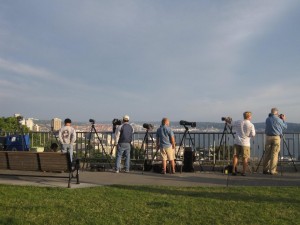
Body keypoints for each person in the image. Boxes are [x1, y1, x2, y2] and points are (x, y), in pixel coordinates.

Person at [263, 108, 287, 175]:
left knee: (267, 154)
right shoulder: (279, 120)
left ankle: (265, 169)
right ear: (276, 113)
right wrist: (283, 119)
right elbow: (285, 127)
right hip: (276, 137)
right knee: (274, 154)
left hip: (268, 137)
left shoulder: (267, 119)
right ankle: (272, 170)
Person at [231, 112, 256, 176]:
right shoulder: (251, 125)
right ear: (249, 116)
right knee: (245, 158)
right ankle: (243, 172)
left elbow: (232, 123)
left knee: (235, 156)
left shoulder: (239, 122)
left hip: (237, 142)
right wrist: (248, 135)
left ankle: (234, 170)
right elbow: (253, 134)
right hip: (246, 143)